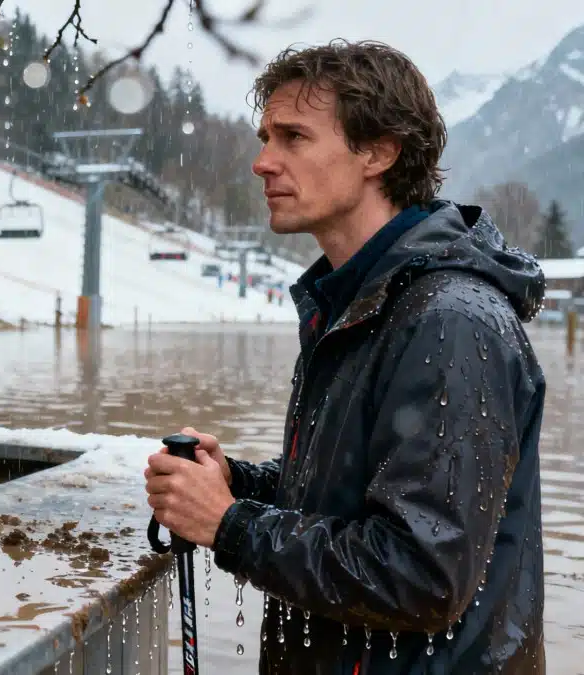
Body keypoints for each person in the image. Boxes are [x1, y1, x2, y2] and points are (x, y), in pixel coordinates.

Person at [144, 39, 547, 674]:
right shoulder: (359, 301)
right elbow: (354, 489)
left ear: (378, 152)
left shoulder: (451, 321)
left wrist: (231, 525)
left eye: (293, 138)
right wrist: (236, 485)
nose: (261, 161)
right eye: (264, 136)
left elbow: (423, 572)